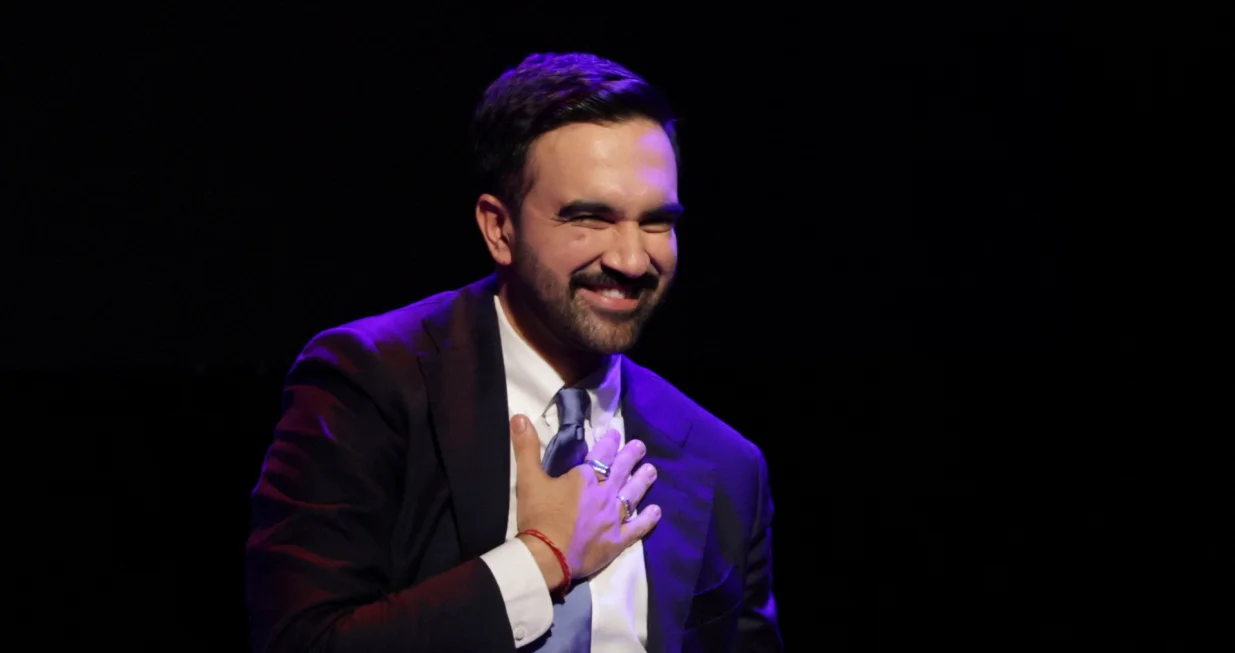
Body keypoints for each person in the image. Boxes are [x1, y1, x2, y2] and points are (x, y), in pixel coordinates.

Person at [245, 52, 782, 652]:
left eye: (655, 222)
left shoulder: (727, 463)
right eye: (591, 218)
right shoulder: (370, 384)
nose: (632, 260)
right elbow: (301, 642)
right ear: (499, 229)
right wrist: (540, 560)